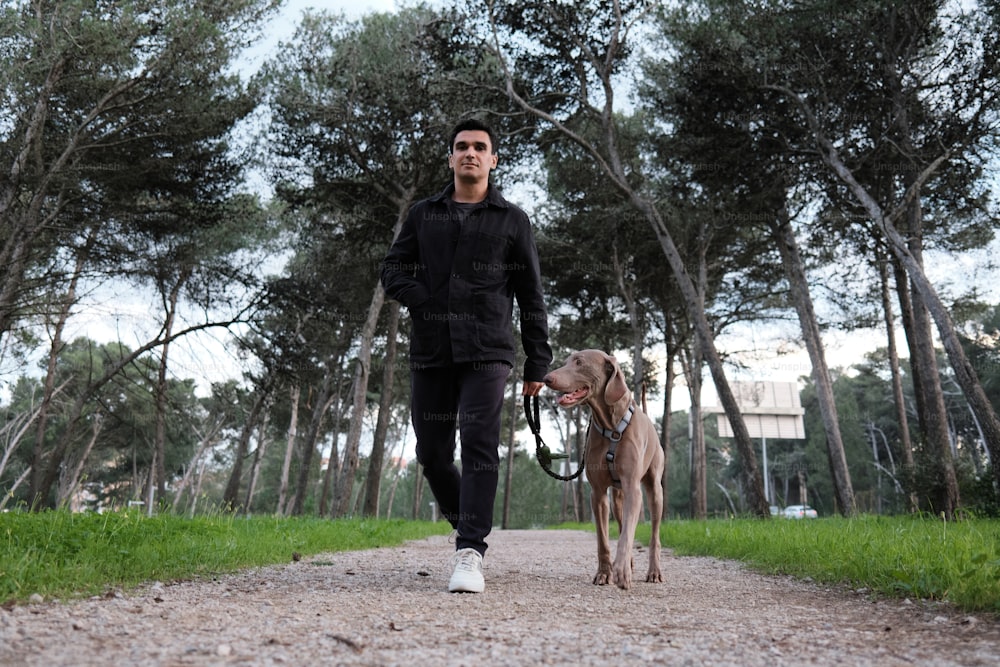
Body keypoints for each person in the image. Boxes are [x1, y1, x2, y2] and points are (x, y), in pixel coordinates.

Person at [380, 118, 552, 593]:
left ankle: (470, 551)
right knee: (433, 453)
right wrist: (423, 298)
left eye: (480, 147)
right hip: (432, 349)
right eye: (462, 147)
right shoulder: (423, 214)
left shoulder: (513, 220)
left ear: (493, 160)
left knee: (479, 442)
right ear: (451, 157)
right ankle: (468, 526)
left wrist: (537, 363)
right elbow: (392, 269)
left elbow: (531, 295)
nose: (470, 153)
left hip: (488, 351)